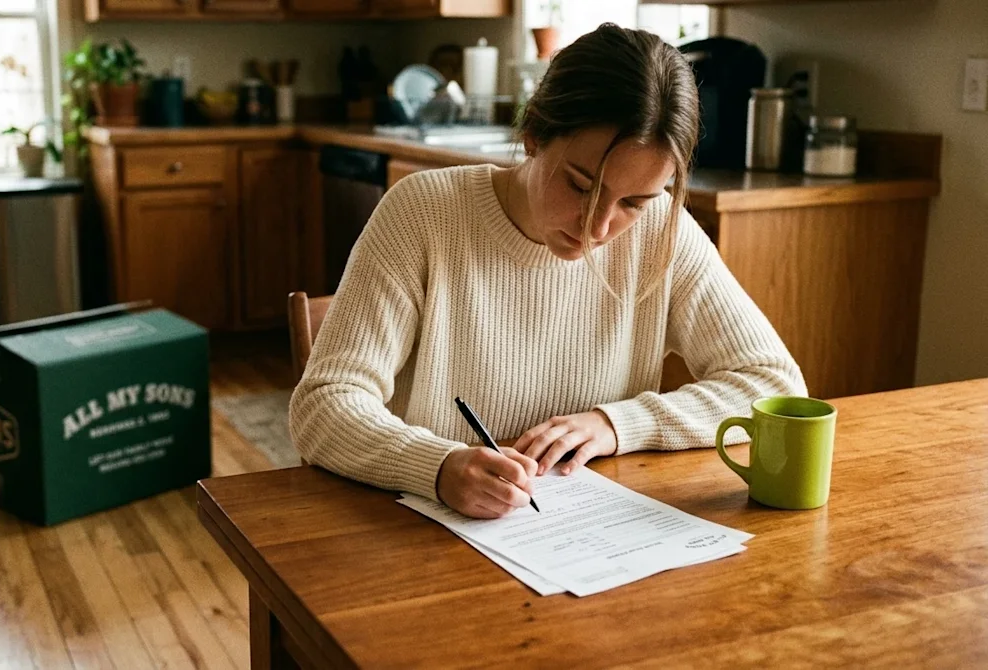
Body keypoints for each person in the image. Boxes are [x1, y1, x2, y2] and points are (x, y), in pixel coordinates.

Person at [289, 24, 806, 519]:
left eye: (635, 202)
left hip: (587, 540)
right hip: (423, 533)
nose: (598, 227)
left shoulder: (664, 235)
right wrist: (438, 466)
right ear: (534, 134)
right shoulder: (424, 214)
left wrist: (616, 423)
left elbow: (773, 385)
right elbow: (323, 405)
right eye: (581, 186)